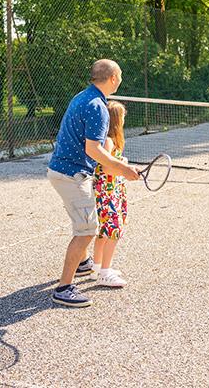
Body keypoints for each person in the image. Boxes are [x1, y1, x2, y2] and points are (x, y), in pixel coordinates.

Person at [46, 59, 140, 308]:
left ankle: (83, 263)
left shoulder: (83, 96)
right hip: (71, 175)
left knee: (85, 222)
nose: (120, 79)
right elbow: (94, 149)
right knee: (87, 229)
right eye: (119, 75)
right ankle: (64, 288)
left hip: (64, 171)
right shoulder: (98, 106)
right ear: (112, 78)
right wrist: (124, 169)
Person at [91, 100, 130, 288]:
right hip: (105, 192)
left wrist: (125, 167)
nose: (124, 119)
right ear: (116, 119)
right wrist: (125, 170)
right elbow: (106, 168)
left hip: (113, 189)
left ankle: (97, 268)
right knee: (113, 229)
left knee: (105, 232)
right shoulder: (107, 141)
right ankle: (105, 273)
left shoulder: (113, 140)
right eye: (122, 116)